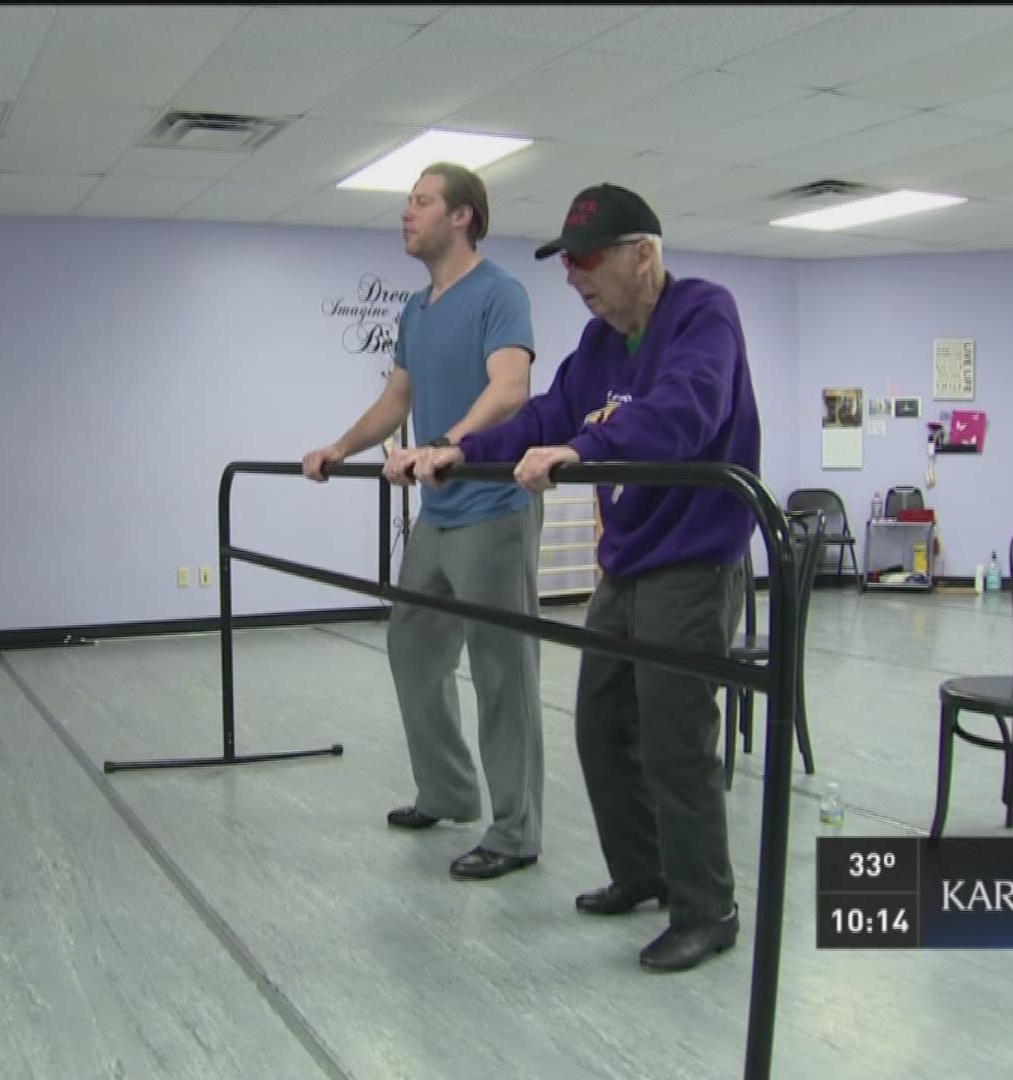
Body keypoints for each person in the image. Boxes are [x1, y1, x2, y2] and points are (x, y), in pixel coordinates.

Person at [392, 183, 761, 972]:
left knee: (674, 738)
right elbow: (546, 415)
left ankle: (708, 908)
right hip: (628, 559)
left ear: (643, 255)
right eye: (567, 265)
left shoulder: (703, 314)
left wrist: (584, 453)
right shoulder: (598, 346)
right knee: (600, 724)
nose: (576, 278)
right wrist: (466, 452)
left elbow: (684, 413)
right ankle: (643, 871)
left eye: (589, 260)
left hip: (695, 560)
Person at [301, 162, 546, 881]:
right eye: (407, 203)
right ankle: (448, 790)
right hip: (436, 513)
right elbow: (397, 399)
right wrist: (339, 447)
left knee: (503, 672)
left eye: (420, 202)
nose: (406, 214)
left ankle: (516, 830)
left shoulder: (500, 294)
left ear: (462, 215)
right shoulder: (417, 309)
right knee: (413, 647)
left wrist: (449, 444)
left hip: (493, 508)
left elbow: (511, 388)